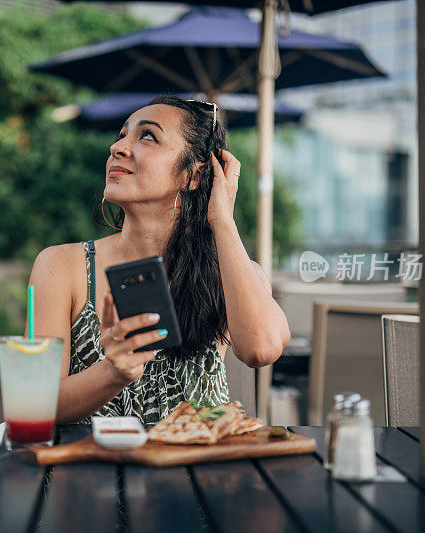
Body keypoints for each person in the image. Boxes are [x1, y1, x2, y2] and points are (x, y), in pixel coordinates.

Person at [27, 94, 290, 424]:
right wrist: (113, 372)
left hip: (199, 469)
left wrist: (222, 219)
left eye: (147, 136)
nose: (118, 148)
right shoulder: (61, 266)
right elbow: (33, 406)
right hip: (91, 471)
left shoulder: (229, 271)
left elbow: (261, 350)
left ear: (193, 176)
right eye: (121, 135)